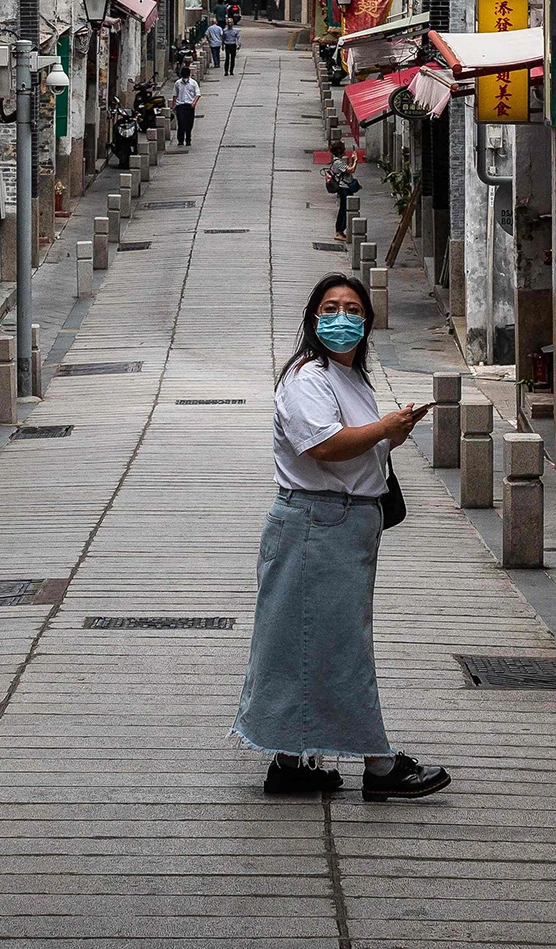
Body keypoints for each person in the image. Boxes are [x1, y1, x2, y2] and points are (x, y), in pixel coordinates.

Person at [233, 274, 450, 802]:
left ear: (368, 322)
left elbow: (351, 447)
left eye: (353, 308)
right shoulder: (308, 378)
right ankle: (379, 766)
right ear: (312, 318)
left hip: (342, 524)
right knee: (337, 644)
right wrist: (384, 428)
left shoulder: (351, 377)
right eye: (330, 307)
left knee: (309, 641)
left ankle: (291, 763)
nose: (342, 316)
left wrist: (389, 434)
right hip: (317, 523)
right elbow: (325, 447)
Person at [325, 156, 360, 241]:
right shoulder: (338, 163)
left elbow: (347, 169)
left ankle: (340, 231)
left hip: (344, 187)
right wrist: (356, 161)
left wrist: (352, 161)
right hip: (344, 188)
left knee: (343, 209)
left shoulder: (337, 162)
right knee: (345, 209)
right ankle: (339, 231)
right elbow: (351, 170)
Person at [171, 66, 201, 147]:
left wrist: (194, 103)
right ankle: (180, 140)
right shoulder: (177, 83)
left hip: (189, 105)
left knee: (189, 124)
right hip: (180, 105)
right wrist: (173, 105)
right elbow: (175, 94)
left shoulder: (193, 83)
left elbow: (198, 94)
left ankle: (188, 139)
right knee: (181, 123)